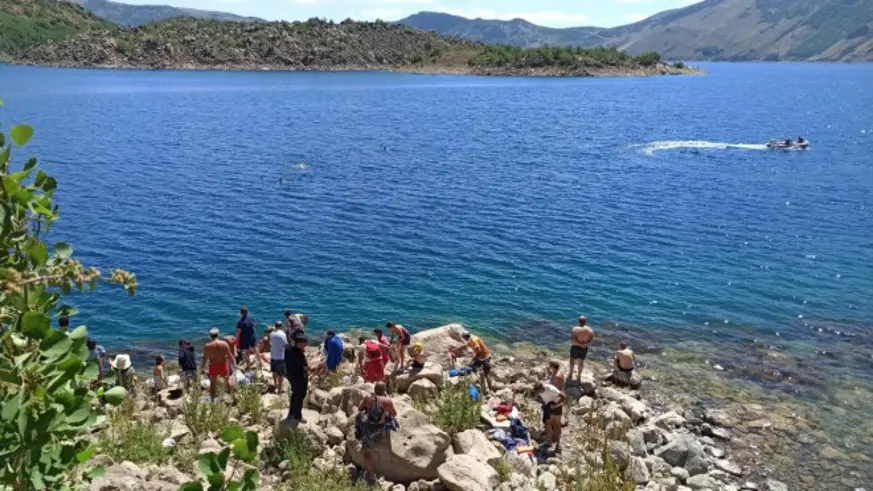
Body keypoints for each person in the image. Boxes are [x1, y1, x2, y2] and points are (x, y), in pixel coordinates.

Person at [355, 382, 399, 482]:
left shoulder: (368, 398)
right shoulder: (387, 401)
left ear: (374, 389)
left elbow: (360, 409)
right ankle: (385, 431)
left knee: (366, 452)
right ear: (384, 390)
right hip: (378, 427)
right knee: (392, 419)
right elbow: (394, 413)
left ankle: (370, 474)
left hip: (367, 428)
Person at [203, 328, 236, 400]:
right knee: (228, 381)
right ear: (218, 334)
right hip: (223, 365)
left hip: (213, 366)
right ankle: (233, 397)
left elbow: (205, 358)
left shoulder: (207, 346)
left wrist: (202, 368)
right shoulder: (224, 344)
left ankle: (212, 401)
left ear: (210, 335)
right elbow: (230, 355)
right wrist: (234, 365)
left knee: (213, 384)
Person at [284, 332, 309, 423]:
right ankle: (297, 416)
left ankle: (291, 413)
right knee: (300, 396)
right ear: (298, 343)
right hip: (299, 378)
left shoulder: (287, 349)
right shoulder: (299, 355)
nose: (306, 345)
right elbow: (306, 367)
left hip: (290, 376)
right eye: (304, 343)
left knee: (295, 394)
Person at [534, 381, 565, 453]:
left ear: (541, 388)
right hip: (548, 406)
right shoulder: (540, 392)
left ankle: (558, 445)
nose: (538, 394)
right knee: (547, 424)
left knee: (557, 425)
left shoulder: (551, 389)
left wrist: (555, 405)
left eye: (538, 392)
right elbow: (545, 398)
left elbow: (563, 396)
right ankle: (549, 442)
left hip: (557, 407)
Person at [569, 315, 594, 381]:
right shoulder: (590, 330)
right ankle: (579, 376)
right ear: (585, 322)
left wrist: (580, 344)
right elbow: (592, 338)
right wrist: (586, 343)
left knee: (572, 361)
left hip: (576, 347)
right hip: (584, 348)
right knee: (581, 362)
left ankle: (571, 374)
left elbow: (572, 340)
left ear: (579, 321)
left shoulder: (575, 329)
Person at [270, 321, 289, 394]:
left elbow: (270, 343)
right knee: (281, 375)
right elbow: (286, 345)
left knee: (274, 372)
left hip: (273, 356)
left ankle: (275, 385)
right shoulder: (283, 334)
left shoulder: (272, 334)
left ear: (275, 326)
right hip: (280, 357)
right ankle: (279, 391)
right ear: (281, 326)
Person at [236, 306, 257, 371]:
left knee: (246, 353)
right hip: (252, 337)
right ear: (247, 312)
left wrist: (236, 340)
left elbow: (238, 333)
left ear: (241, 313)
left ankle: (249, 368)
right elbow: (255, 324)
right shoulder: (252, 318)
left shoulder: (240, 322)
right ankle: (260, 362)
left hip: (245, 340)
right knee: (255, 349)